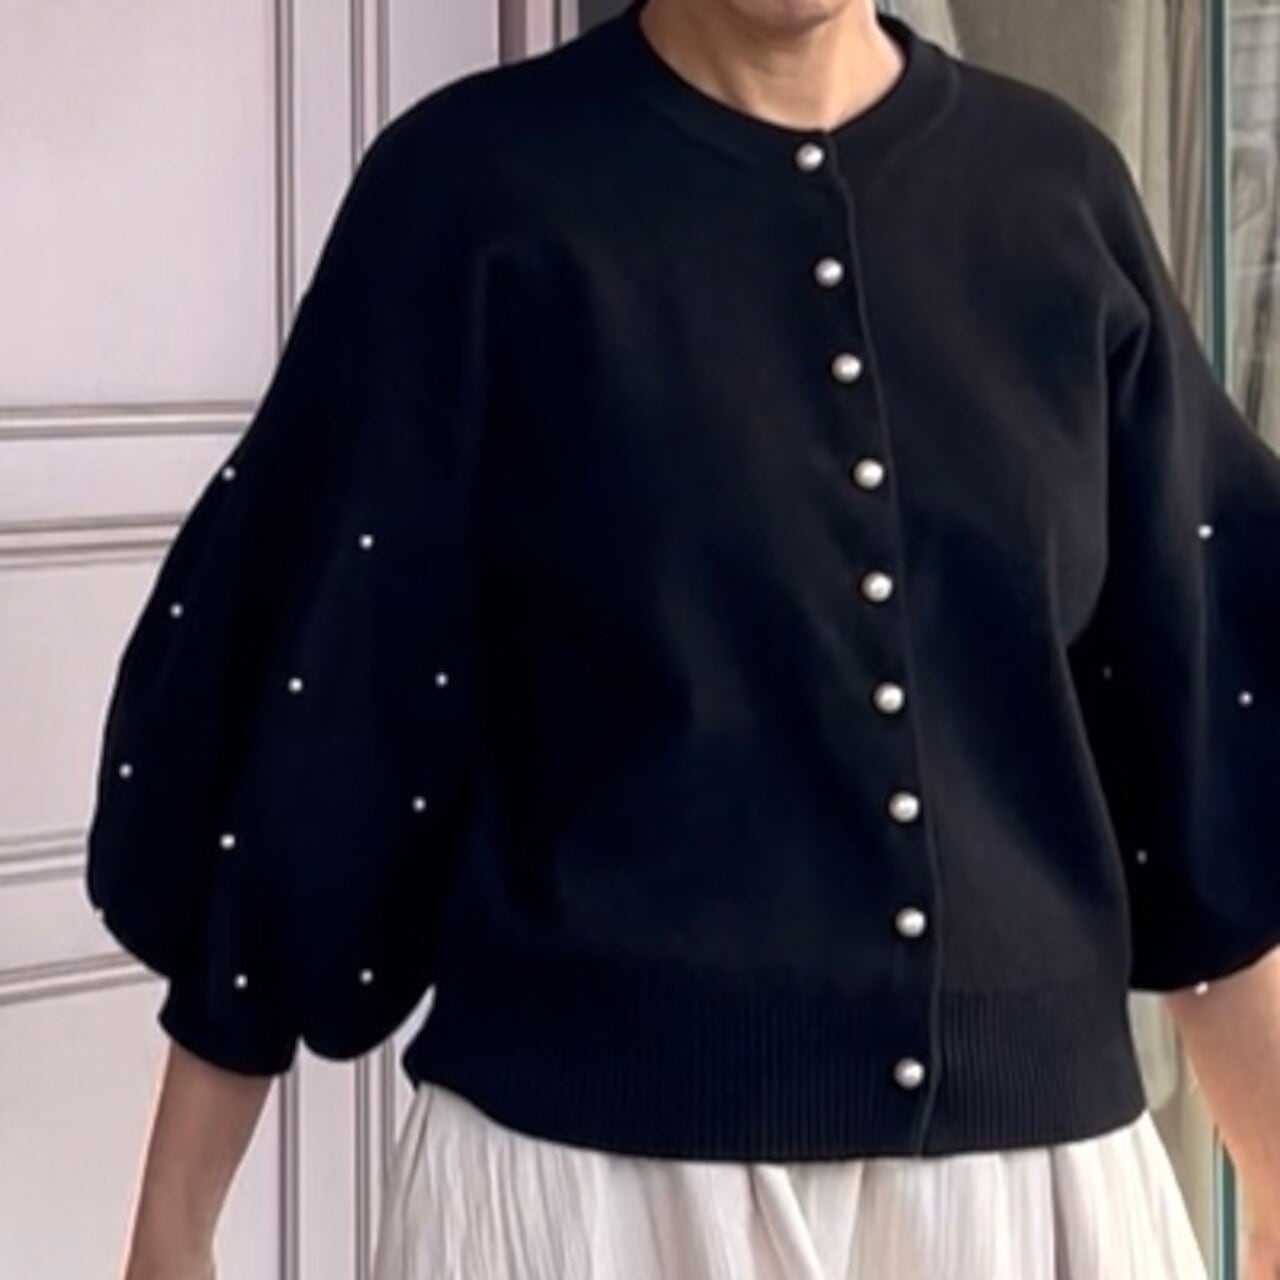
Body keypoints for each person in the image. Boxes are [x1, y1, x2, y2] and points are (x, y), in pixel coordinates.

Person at [86, 1, 1280, 1278]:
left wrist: (1269, 1180)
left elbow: (1189, 735)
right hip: (587, 1198)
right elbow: (315, 687)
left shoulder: (1056, 190)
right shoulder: (473, 190)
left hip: (1030, 1202)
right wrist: (174, 1220)